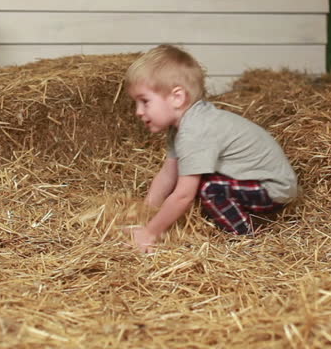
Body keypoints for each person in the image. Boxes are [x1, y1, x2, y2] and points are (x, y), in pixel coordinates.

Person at [124, 45, 298, 253]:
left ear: (177, 98)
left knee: (207, 189)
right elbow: (167, 174)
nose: (138, 112)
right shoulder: (180, 127)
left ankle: (245, 239)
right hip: (250, 181)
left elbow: (183, 196)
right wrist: (146, 213)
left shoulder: (195, 130)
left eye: (144, 102)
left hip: (274, 188)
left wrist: (150, 232)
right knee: (196, 182)